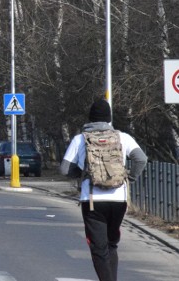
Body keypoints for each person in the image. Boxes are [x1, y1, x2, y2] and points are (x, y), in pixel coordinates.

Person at [61, 98, 147, 281]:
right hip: (119, 199)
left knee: (98, 248)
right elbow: (141, 159)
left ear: (90, 118)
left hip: (92, 199)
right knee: (111, 245)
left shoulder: (80, 139)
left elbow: (64, 169)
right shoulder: (122, 137)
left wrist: (82, 173)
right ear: (109, 118)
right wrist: (129, 178)